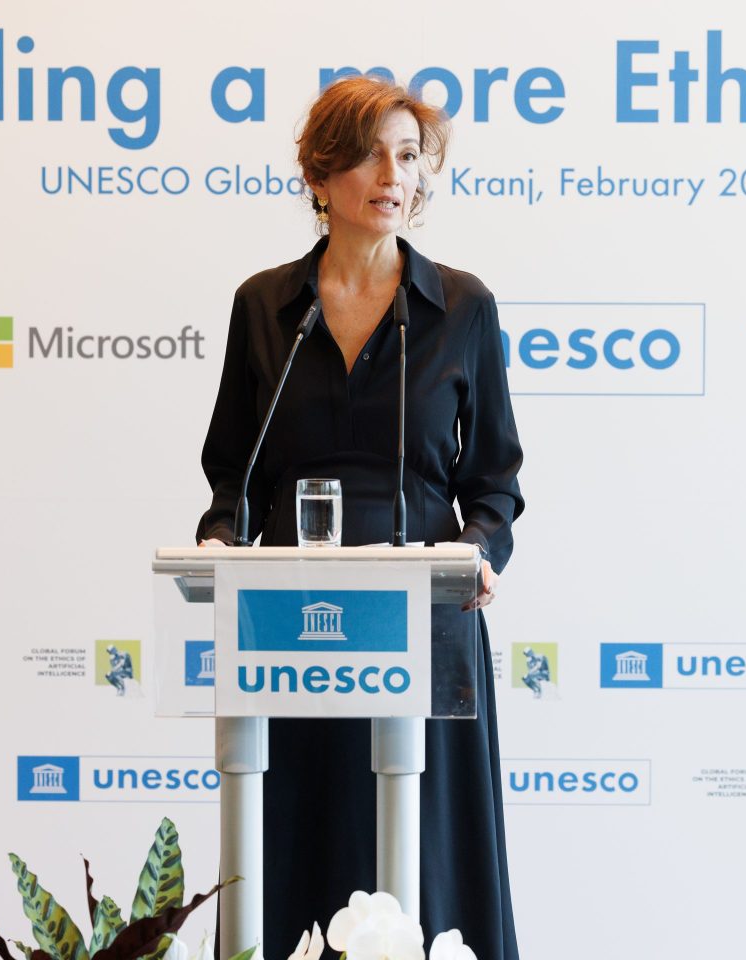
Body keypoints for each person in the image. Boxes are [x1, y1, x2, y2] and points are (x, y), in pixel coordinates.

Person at [196, 75, 523, 960]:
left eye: (410, 156)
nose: (394, 174)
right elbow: (231, 471)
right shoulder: (265, 308)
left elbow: (495, 480)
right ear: (322, 171)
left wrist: (475, 549)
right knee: (296, 840)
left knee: (424, 858)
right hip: (288, 623)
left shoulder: (461, 308)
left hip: (421, 622)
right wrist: (220, 544)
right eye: (372, 153)